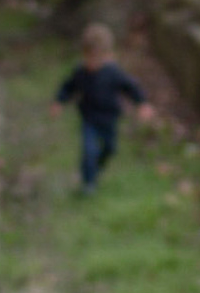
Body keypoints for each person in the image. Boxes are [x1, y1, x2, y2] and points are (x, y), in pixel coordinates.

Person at [51, 23, 154, 192]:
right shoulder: (80, 72)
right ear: (83, 54)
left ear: (107, 56)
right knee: (89, 150)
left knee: (110, 149)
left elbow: (130, 87)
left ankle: (95, 168)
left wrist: (142, 103)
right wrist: (58, 102)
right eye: (88, 58)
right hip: (89, 118)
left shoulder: (113, 72)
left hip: (109, 118)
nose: (92, 63)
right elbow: (68, 87)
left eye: (96, 59)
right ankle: (88, 183)